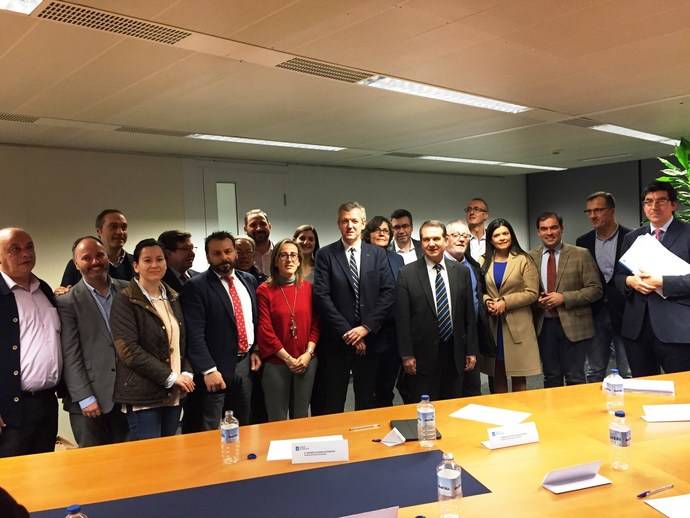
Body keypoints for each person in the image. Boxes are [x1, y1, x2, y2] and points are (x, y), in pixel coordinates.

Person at [312, 202, 396, 414]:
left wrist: (365, 328)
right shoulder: (325, 254)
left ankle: (366, 444)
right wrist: (348, 333)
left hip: (371, 340)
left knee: (367, 400)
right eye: (344, 221)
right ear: (338, 224)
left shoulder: (377, 254)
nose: (349, 225)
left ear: (363, 224)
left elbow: (388, 293)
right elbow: (322, 296)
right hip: (337, 341)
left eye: (354, 221)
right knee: (334, 401)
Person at [110, 239, 195, 440]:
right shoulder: (125, 299)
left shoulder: (172, 296)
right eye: (147, 260)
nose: (155, 265)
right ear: (136, 266)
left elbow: (181, 342)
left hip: (174, 394)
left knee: (169, 457)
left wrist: (187, 371)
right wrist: (171, 377)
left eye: (160, 259)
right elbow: (129, 351)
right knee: (149, 463)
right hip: (143, 397)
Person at [181, 231, 261, 429]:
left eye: (228, 251)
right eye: (217, 253)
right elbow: (194, 334)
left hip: (245, 364)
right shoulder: (196, 287)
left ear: (235, 252)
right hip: (214, 368)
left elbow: (253, 320)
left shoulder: (248, 280)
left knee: (243, 421)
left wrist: (256, 350)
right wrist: (208, 370)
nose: (224, 257)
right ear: (208, 256)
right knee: (211, 425)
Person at [57, 236, 129, 447]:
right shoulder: (66, 302)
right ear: (76, 264)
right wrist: (85, 397)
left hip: (127, 396)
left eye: (99, 255)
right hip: (89, 401)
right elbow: (70, 354)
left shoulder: (128, 290)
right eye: (86, 258)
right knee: (93, 469)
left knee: (130, 464)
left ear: (107, 256)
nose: (95, 262)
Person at [614, 181, 690, 376]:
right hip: (637, 329)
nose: (653, 207)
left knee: (681, 391)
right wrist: (630, 282)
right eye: (648, 202)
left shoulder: (687, 233)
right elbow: (619, 276)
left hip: (676, 329)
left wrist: (662, 282)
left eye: (661, 201)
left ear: (674, 205)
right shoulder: (632, 237)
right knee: (643, 389)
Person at [396, 220, 478, 401]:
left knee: (453, 406)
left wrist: (471, 350)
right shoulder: (407, 274)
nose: (431, 244)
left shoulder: (461, 272)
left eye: (436, 238)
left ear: (446, 240)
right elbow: (403, 319)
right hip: (422, 357)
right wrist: (407, 355)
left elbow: (468, 316)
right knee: (426, 409)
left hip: (455, 353)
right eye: (426, 239)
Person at [0, 228, 60, 458]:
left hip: (46, 402)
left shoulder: (43, 289)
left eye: (29, 247)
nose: (25, 254)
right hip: (11, 409)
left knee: (44, 475)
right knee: (13, 480)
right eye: (15, 249)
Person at [529, 212, 602, 388]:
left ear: (562, 229)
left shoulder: (580, 254)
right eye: (544, 229)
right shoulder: (530, 257)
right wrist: (536, 300)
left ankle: (576, 416)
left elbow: (596, 290)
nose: (549, 232)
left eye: (553, 227)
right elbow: (527, 290)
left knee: (575, 377)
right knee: (551, 377)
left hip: (575, 326)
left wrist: (564, 297)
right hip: (544, 326)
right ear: (538, 232)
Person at [257, 239, 319, 420]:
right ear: (275, 261)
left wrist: (308, 353)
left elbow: (316, 323)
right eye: (283, 255)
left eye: (293, 255)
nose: (289, 259)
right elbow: (265, 329)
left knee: (301, 416)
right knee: (277, 417)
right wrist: (288, 358)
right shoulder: (265, 290)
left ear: (299, 260)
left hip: (306, 361)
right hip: (277, 363)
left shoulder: (308, 288)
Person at [576, 192, 631, 381]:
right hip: (595, 312)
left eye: (598, 210)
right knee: (594, 370)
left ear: (612, 211)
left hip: (625, 312)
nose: (593, 215)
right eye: (589, 211)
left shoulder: (631, 238)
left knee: (628, 370)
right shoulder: (583, 243)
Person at [481, 219, 540, 393]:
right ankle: (501, 413)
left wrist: (505, 302)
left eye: (505, 233)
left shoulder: (523, 260)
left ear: (512, 236)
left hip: (518, 324)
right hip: (494, 324)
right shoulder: (484, 260)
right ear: (490, 240)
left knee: (518, 373)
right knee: (497, 371)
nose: (502, 238)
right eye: (497, 235)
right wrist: (487, 301)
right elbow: (480, 289)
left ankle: (520, 411)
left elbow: (532, 292)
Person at [446, 219, 496, 396]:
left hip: (471, 336)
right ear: (445, 239)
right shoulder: (439, 267)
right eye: (455, 235)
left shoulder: (473, 266)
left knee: (472, 390)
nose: (461, 239)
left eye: (465, 236)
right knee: (449, 391)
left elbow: (477, 296)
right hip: (446, 339)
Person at [362, 216, 404, 406]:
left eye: (386, 230)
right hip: (369, 330)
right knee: (367, 388)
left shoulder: (397, 258)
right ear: (368, 234)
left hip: (392, 332)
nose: (382, 233)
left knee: (387, 387)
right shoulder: (361, 257)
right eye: (377, 230)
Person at [60, 209, 133, 289]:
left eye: (124, 227)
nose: (120, 232)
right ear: (99, 231)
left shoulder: (136, 262)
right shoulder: (78, 265)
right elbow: (65, 293)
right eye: (113, 227)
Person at [244, 209, 273, 275]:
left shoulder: (280, 253)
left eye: (263, 224)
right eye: (253, 225)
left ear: (270, 226)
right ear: (245, 229)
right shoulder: (239, 257)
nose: (259, 228)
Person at [465, 198, 489, 262]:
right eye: (469, 209)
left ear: (485, 215)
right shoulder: (460, 238)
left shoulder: (492, 238)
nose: (471, 212)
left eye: (476, 209)